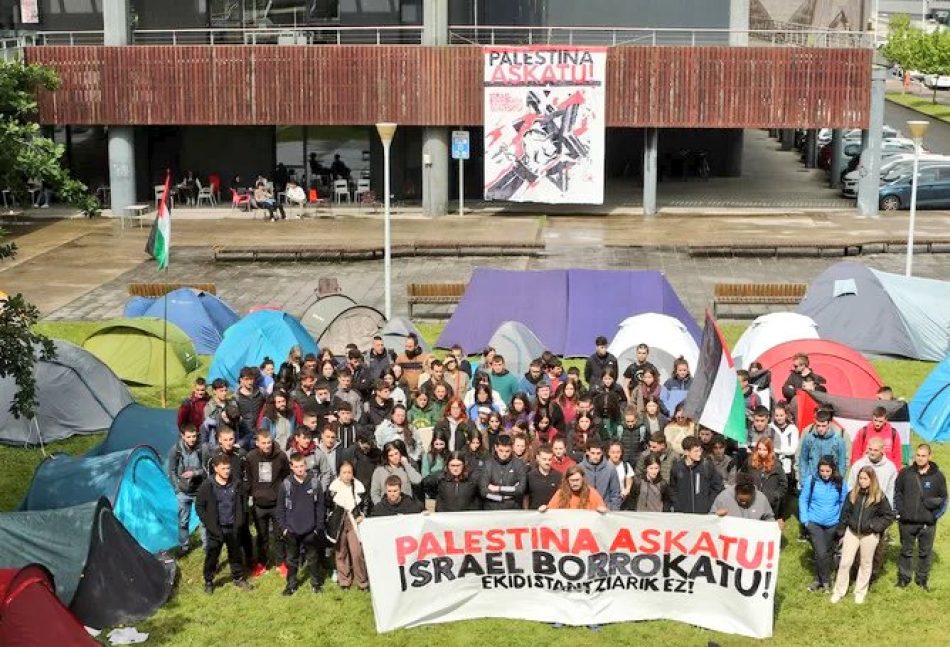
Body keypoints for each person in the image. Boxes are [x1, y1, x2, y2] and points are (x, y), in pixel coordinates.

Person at [831, 466, 896, 604]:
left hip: (869, 535)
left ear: (872, 480)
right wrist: (841, 532)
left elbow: (889, 516)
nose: (862, 481)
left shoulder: (879, 497)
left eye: (865, 478)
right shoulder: (852, 494)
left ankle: (860, 591)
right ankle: (839, 591)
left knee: (865, 563)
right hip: (852, 533)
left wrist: (875, 526)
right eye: (860, 478)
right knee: (845, 562)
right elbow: (845, 514)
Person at [195, 454, 251, 594]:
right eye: (223, 468)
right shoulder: (207, 486)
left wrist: (241, 521)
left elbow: (243, 504)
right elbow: (200, 506)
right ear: (215, 469)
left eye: (228, 468)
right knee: (212, 555)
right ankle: (209, 580)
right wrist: (209, 524)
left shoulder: (237, 484)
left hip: (233, 526)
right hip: (216, 528)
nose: (227, 471)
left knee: (235, 554)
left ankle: (238, 577)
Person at [894, 444, 947, 591]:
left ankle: (922, 580)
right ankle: (903, 579)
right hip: (907, 522)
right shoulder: (905, 473)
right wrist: (899, 512)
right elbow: (897, 493)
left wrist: (934, 516)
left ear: (930, 456)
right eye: (918, 455)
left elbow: (944, 499)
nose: (920, 458)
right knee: (906, 551)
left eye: (923, 456)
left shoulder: (938, 476)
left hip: (927, 524)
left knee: (925, 553)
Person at [276, 453, 326, 596]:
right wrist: (284, 528)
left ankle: (316, 585)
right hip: (291, 530)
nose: (300, 469)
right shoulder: (285, 485)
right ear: (291, 467)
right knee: (292, 559)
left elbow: (321, 507)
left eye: (302, 466)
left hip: (311, 530)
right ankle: (291, 585)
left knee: (312, 558)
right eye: (296, 466)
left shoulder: (315, 483)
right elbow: (280, 509)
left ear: (306, 465)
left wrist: (318, 528)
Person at [245, 429, 291, 577]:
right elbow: (249, 478)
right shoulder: (251, 457)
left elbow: (285, 475)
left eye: (269, 442)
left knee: (279, 535)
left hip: (277, 503)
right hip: (259, 504)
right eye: (263, 443)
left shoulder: (281, 456)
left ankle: (280, 562)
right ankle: (262, 563)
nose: (267, 445)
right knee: (262, 536)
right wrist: (253, 495)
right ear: (257, 443)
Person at [800, 456, 848, 593]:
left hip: (832, 523)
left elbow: (843, 503)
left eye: (828, 471)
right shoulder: (812, 480)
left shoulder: (840, 483)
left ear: (833, 470)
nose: (825, 474)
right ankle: (826, 581)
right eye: (822, 471)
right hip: (814, 523)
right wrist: (805, 520)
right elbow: (803, 499)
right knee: (821, 552)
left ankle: (817, 580)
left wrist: (840, 522)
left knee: (825, 554)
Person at [327, 461, 369, 591]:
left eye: (349, 472)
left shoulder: (359, 487)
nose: (346, 475)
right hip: (339, 522)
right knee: (341, 553)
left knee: (357, 553)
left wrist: (363, 515)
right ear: (339, 473)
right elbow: (328, 506)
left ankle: (362, 581)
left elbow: (366, 505)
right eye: (344, 472)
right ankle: (344, 581)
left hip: (354, 523)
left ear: (353, 474)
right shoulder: (333, 488)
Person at [167, 423, 206, 555]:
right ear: (183, 436)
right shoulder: (175, 450)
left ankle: (206, 546)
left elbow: (207, 470)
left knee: (203, 520)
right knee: (183, 521)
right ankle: (184, 546)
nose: (192, 439)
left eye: (194, 436)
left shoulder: (202, 448)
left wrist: (194, 473)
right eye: (189, 437)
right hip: (183, 492)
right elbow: (171, 470)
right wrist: (177, 489)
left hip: (199, 490)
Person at [669, 436, 724, 514]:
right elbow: (672, 489)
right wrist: (678, 505)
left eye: (700, 450)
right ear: (686, 452)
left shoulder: (707, 465)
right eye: (696, 451)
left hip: (703, 513)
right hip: (683, 514)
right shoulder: (677, 468)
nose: (699, 453)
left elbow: (717, 486)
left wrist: (708, 503)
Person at [744, 438, 788, 525]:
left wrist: (775, 496)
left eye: (764, 449)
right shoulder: (750, 462)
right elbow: (742, 477)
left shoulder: (777, 465)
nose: (761, 452)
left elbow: (783, 484)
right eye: (759, 449)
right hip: (752, 501)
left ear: (769, 450)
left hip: (770, 504)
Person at [798, 410, 847, 486]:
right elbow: (803, 460)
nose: (820, 429)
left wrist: (838, 481)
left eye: (823, 426)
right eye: (818, 425)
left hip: (831, 481)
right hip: (812, 480)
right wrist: (804, 481)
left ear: (829, 424)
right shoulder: (809, 438)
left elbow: (842, 463)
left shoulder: (838, 440)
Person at [479, 434, 527, 510]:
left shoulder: (519, 464)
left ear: (512, 448)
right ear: (496, 448)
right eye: (501, 450)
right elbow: (483, 491)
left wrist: (498, 488)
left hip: (513, 508)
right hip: (491, 508)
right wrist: (501, 498)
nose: (504, 454)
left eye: (507, 451)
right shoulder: (488, 464)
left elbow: (520, 490)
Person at [848, 437, 898, 507]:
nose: (872, 453)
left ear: (882, 451)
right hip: (861, 506)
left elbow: (891, 491)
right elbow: (851, 486)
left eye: (875, 450)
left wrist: (889, 509)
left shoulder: (890, 468)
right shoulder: (858, 465)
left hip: (880, 507)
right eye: (870, 449)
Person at [370, 440, 422, 504]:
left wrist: (406, 464)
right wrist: (381, 506)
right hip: (386, 507)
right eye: (391, 455)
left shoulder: (406, 468)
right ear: (387, 457)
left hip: (406, 506)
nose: (395, 457)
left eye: (396, 453)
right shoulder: (379, 471)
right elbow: (374, 493)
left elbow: (417, 480)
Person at [540, 465, 608, 512]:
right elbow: (550, 511)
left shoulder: (591, 492)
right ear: (567, 481)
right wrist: (544, 509)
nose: (575, 483)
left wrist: (603, 511)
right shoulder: (561, 493)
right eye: (572, 480)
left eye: (577, 480)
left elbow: (604, 512)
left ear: (582, 479)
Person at [711, 473, 775, 521]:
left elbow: (769, 518)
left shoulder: (761, 498)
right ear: (736, 492)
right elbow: (708, 521)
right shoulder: (723, 497)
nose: (744, 503)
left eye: (747, 501)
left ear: (753, 494)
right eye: (741, 500)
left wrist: (776, 526)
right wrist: (716, 515)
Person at [579, 440, 621, 510]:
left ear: (602, 453)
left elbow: (615, 493)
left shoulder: (610, 468)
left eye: (598, 453)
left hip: (605, 510)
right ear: (587, 452)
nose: (595, 456)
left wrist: (613, 510)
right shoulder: (579, 468)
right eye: (593, 453)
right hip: (585, 509)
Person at [524, 444, 563, 509]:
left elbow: (561, 497)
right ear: (538, 458)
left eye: (549, 459)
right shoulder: (530, 476)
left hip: (553, 514)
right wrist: (526, 512)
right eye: (544, 459)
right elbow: (526, 497)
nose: (547, 462)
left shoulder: (559, 476)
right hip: (534, 514)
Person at [607, 440, 635, 508]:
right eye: (613, 452)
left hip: (622, 501)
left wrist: (627, 490)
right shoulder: (604, 466)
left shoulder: (626, 465)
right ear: (608, 453)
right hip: (607, 500)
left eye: (618, 452)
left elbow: (629, 480)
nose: (615, 455)